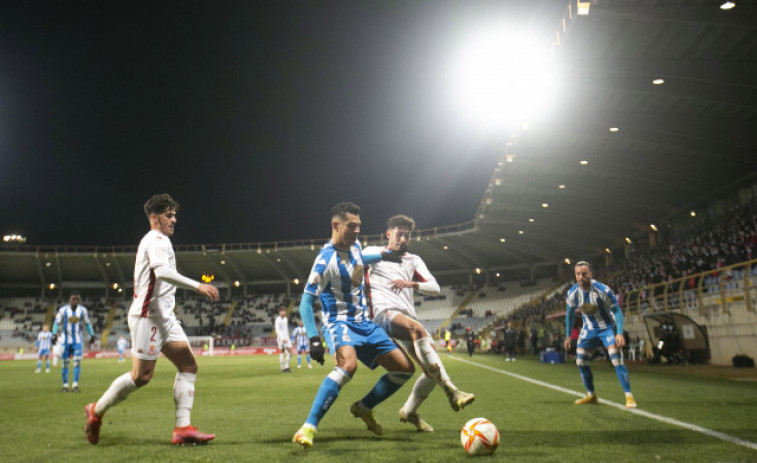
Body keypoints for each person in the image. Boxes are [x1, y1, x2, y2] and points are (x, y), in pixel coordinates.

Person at [84, 193, 220, 445]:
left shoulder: (159, 240)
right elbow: (163, 271)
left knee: (189, 366)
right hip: (148, 317)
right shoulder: (157, 240)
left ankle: (183, 428)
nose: (175, 220)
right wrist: (198, 286)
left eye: (175, 215)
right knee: (141, 377)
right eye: (169, 215)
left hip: (164, 317)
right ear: (155, 218)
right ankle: (96, 411)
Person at [292, 202, 414, 448]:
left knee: (404, 369)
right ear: (335, 226)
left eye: (359, 226)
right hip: (339, 323)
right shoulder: (325, 260)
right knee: (348, 365)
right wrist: (314, 338)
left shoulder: (356, 245)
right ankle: (308, 427)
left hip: (364, 323)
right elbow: (306, 302)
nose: (357, 231)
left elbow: (360, 257)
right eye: (351, 226)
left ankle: (364, 407)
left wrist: (383, 255)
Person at [363, 215, 474, 432]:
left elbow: (435, 287)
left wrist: (411, 283)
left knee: (430, 372)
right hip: (382, 314)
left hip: (406, 316)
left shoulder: (413, 260)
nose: (403, 239)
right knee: (417, 329)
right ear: (388, 234)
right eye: (399, 234)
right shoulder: (372, 253)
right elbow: (354, 259)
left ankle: (409, 411)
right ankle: (452, 391)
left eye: (407, 235)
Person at [563, 261, 637, 409]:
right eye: (578, 274)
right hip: (588, 330)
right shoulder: (573, 293)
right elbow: (570, 314)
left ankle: (629, 396)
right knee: (581, 362)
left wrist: (619, 333)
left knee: (616, 359)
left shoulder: (603, 290)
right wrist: (568, 335)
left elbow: (617, 311)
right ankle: (591, 395)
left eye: (584, 274)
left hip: (607, 328)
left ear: (590, 274)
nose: (581, 277)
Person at [52, 291, 95, 392]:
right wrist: (54, 334)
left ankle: (75, 385)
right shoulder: (63, 310)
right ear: (69, 300)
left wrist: (92, 334)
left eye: (77, 299)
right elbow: (56, 323)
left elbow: (87, 324)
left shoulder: (83, 311)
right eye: (73, 299)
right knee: (65, 364)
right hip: (65, 341)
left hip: (77, 342)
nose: (75, 301)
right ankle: (65, 386)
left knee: (77, 363)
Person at [274, 307, 292, 373]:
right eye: (282, 311)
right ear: (279, 313)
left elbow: (285, 329)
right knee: (282, 352)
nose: (283, 312)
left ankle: (286, 367)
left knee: (290, 351)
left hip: (286, 338)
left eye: (284, 311)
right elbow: (277, 330)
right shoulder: (278, 320)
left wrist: (287, 337)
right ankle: (283, 368)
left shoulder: (286, 319)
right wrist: (282, 338)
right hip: (281, 338)